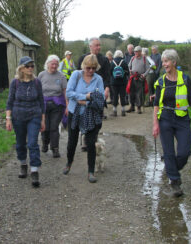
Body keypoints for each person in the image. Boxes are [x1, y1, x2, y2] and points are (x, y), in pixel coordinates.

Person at [152, 49, 191, 197]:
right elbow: (156, 104)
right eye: (163, 62)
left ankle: (171, 168)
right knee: (168, 152)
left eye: (167, 61)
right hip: (165, 119)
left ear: (174, 62)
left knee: (184, 153)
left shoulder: (185, 79)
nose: (164, 64)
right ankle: (175, 182)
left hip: (182, 119)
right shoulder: (160, 82)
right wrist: (155, 124)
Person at [63, 54, 105, 183]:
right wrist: (86, 97)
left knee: (91, 144)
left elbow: (100, 98)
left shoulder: (98, 79)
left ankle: (91, 172)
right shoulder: (76, 75)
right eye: (88, 68)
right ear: (83, 66)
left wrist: (83, 101)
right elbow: (68, 93)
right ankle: (69, 163)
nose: (91, 71)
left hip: (92, 115)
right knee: (72, 142)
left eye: (93, 68)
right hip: (74, 113)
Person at [6, 56, 45, 187]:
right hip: (18, 117)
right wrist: (8, 119)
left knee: (33, 143)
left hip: (34, 115)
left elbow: (41, 102)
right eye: (28, 66)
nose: (30, 68)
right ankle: (23, 164)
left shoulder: (37, 82)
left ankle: (34, 171)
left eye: (32, 66)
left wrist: (43, 120)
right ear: (21, 68)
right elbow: (10, 101)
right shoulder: (15, 83)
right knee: (20, 143)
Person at [38, 55, 67, 158]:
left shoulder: (61, 76)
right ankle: (45, 143)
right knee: (45, 127)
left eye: (56, 64)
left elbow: (65, 92)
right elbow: (37, 91)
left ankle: (55, 148)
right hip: (43, 105)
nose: (54, 66)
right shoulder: (41, 75)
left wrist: (67, 107)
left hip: (57, 105)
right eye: (52, 64)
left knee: (54, 127)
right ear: (48, 64)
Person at [127, 46, 151, 114]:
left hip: (140, 78)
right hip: (133, 78)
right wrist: (130, 70)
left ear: (140, 51)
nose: (135, 52)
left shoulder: (144, 59)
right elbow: (129, 66)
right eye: (135, 51)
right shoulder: (132, 58)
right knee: (131, 92)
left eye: (137, 51)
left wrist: (144, 75)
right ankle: (132, 106)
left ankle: (139, 107)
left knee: (139, 93)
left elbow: (148, 68)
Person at [110, 50, 129, 116]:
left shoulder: (112, 62)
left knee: (115, 96)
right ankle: (123, 111)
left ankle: (114, 111)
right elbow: (128, 72)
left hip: (114, 82)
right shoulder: (124, 62)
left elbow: (109, 73)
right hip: (123, 82)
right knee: (122, 96)